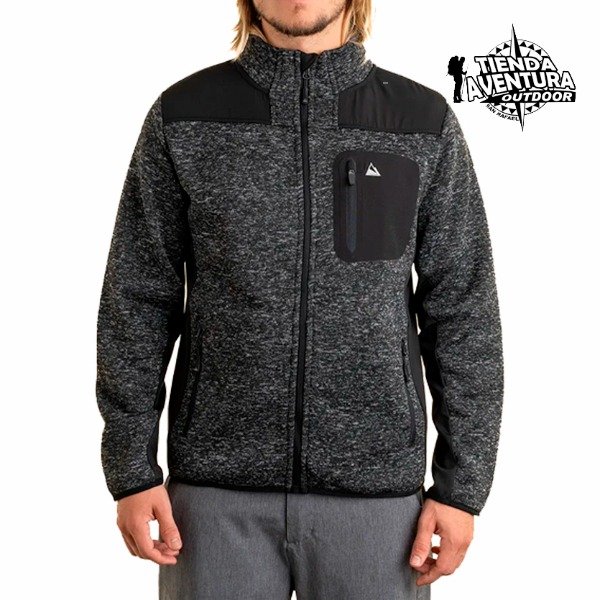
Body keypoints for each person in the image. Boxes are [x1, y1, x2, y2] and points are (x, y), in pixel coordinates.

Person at [96, 1, 504, 598]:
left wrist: (461, 488)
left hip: (379, 504)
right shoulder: (183, 116)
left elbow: (464, 310)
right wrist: (131, 470)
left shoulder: (422, 123)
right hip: (212, 501)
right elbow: (137, 298)